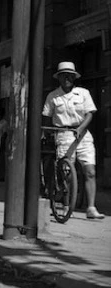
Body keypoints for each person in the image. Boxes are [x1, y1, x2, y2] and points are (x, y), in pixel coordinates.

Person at [42, 61, 104, 220]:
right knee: (67, 172)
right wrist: (48, 134)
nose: (67, 78)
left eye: (70, 75)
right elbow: (47, 118)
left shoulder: (83, 93)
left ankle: (91, 207)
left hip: (82, 133)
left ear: (74, 77)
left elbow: (90, 113)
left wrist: (80, 128)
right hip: (63, 134)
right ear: (59, 78)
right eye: (64, 75)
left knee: (90, 171)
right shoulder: (53, 96)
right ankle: (67, 203)